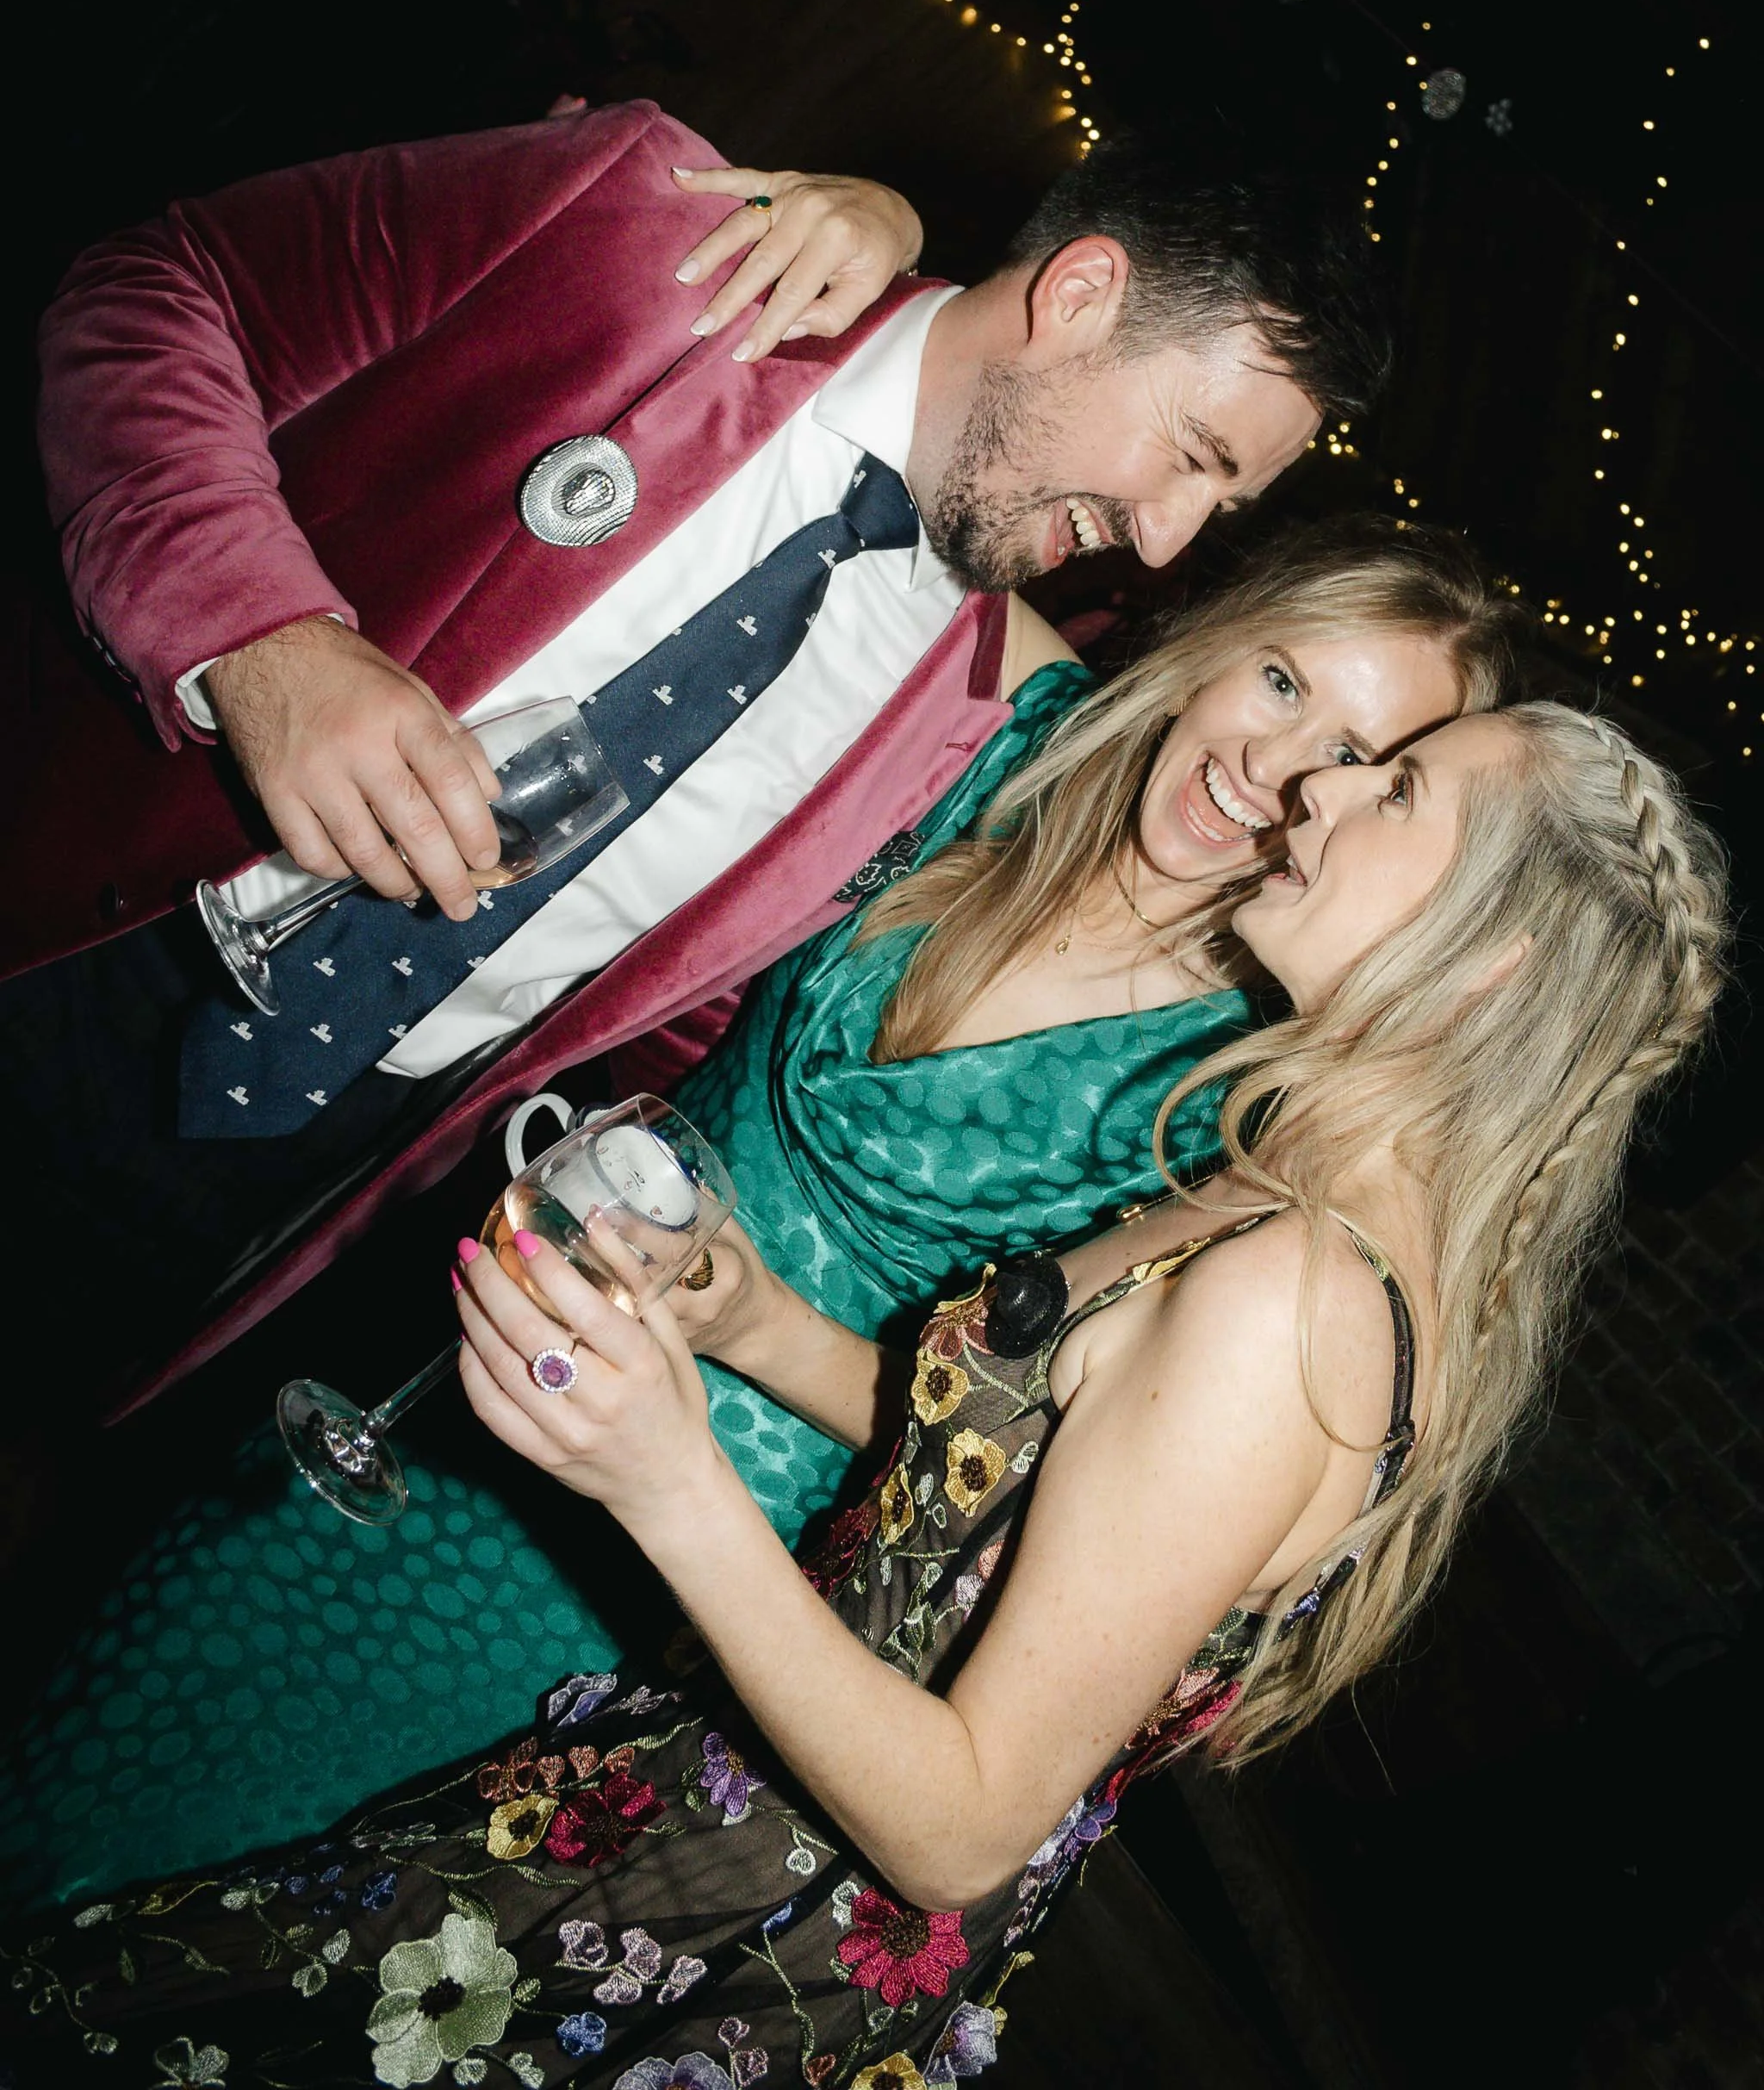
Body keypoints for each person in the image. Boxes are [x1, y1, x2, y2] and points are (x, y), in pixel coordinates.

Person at [1, 701, 1726, 2087]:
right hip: (689, 1813)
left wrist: (666, 1479)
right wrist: (744, 1320)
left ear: (1489, 961)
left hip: (727, 1933)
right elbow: (997, 1502)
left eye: (1400, 793)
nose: (1328, 789)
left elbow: (967, 1819)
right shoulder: (1286, 1207)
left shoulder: (1292, 1302)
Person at [0, 514, 1518, 1906]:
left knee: (235, 1915)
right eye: (1279, 681)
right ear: (1214, 641)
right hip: (470, 1366)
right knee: (102, 1737)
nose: (1282, 767)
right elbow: (939, 463)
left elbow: (1002, 1490)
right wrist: (859, 215)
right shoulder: (1005, 750)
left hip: (658, 1577)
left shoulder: (1228, 1115)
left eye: (1365, 761)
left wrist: (743, 1339)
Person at [1, 109, 1386, 1419]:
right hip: (79, 911)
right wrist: (260, 642)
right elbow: (147, 291)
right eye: (1193, 455)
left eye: (1222, 502)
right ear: (1079, 293)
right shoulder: (646, 231)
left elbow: (652, 1003)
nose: (1164, 542)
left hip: (291, 1171)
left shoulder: (955, 714)